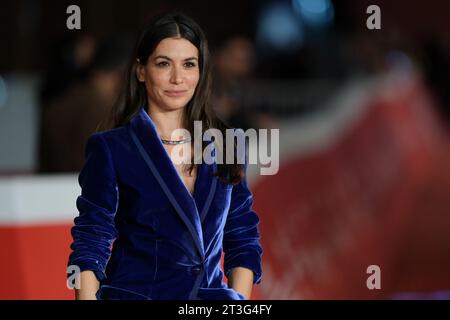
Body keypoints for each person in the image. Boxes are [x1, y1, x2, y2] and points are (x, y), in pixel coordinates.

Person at [67, 12, 262, 300]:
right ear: (141, 71)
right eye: (163, 64)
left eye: (188, 64)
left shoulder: (228, 144)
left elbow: (242, 236)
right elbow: (91, 240)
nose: (177, 78)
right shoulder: (112, 147)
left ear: (201, 71)